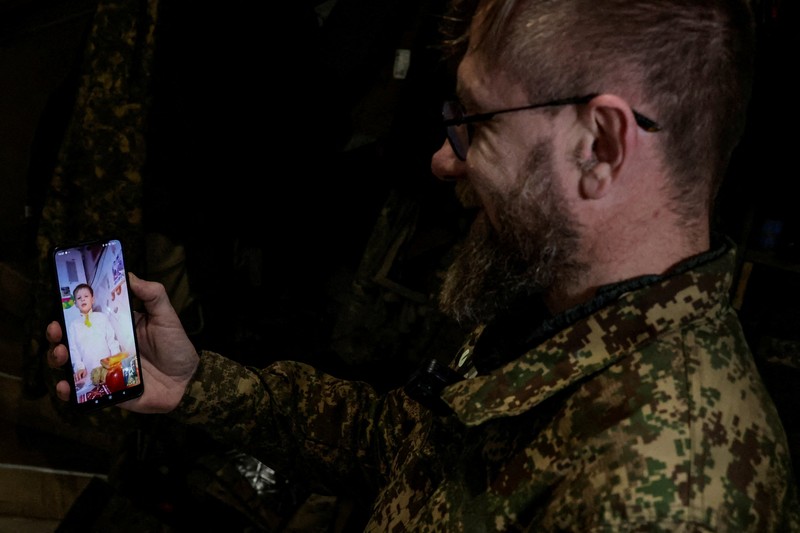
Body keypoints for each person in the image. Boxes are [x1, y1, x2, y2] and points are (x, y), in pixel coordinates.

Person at [46, 0, 800, 530]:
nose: (444, 159)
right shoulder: (557, 302)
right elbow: (405, 447)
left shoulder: (666, 490)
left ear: (599, 146)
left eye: (473, 124)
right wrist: (197, 384)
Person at [67, 283, 122, 388]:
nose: (83, 299)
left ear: (92, 299)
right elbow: (74, 350)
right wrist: (79, 368)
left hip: (109, 368)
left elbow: (111, 340)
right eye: (79, 298)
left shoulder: (102, 317)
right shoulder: (73, 326)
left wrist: (117, 358)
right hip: (88, 373)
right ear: (75, 304)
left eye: (86, 296)